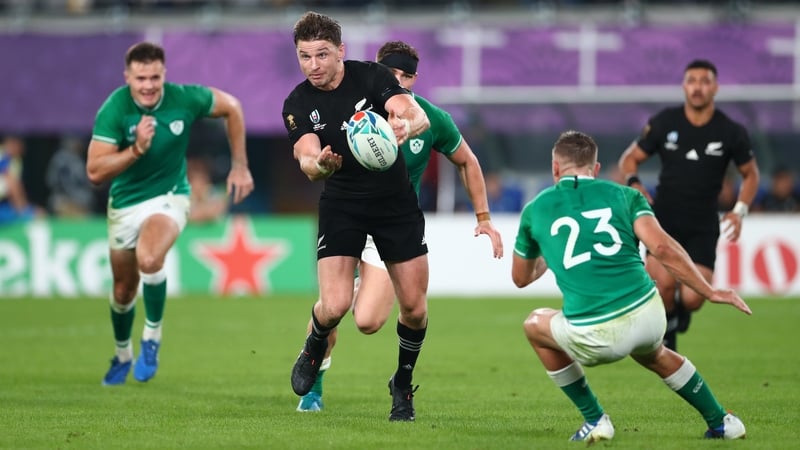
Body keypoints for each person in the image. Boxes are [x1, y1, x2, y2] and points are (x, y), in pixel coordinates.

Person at [295, 40, 504, 413]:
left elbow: (467, 161)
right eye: (392, 73)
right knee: (333, 306)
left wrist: (484, 219)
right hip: (346, 211)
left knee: (369, 321)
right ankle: (314, 388)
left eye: (406, 76)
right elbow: (308, 152)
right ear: (375, 72)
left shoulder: (429, 118)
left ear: (414, 79)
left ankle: (398, 376)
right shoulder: (349, 107)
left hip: (392, 221)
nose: (399, 81)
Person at [513, 130, 751, 443]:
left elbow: (521, 278)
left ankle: (595, 419)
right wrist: (709, 290)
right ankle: (723, 422)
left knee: (534, 325)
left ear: (555, 169)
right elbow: (663, 248)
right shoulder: (625, 196)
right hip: (649, 315)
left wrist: (549, 252)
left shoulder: (536, 208)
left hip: (595, 333)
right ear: (596, 170)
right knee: (655, 352)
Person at [282, 12, 433, 422]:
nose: (313, 65)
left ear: (341, 52)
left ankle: (402, 383)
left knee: (415, 310)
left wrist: (407, 124)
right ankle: (314, 344)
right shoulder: (298, 103)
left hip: (395, 206)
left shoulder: (371, 76)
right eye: (305, 56)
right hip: (342, 203)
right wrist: (321, 166)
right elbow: (306, 159)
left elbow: (411, 110)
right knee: (333, 306)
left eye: (322, 55)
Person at [86, 41, 254, 386]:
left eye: (154, 77)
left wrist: (240, 166)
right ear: (127, 78)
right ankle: (121, 355)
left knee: (149, 259)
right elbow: (95, 172)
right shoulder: (115, 109)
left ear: (164, 75)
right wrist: (135, 149)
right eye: (140, 78)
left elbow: (233, 107)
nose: (148, 85)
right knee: (122, 290)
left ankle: (152, 338)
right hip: (124, 203)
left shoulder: (183, 98)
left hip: (169, 196)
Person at [617, 59, 760, 351]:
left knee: (695, 298)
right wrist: (634, 182)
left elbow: (751, 174)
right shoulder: (664, 122)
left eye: (704, 81)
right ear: (684, 86)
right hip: (663, 220)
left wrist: (739, 210)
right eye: (692, 81)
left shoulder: (731, 131)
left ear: (715, 87)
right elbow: (628, 159)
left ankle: (678, 316)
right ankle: (667, 336)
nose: (698, 87)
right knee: (666, 286)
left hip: (703, 224)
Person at [0, 136, 40, 225]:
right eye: (20, 144)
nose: (22, 148)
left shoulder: (16, 160)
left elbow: (17, 185)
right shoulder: (2, 154)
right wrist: (23, 210)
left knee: (39, 214)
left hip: (4, 203)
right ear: (11, 143)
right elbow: (12, 184)